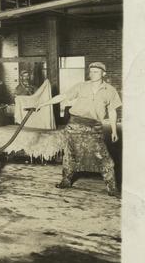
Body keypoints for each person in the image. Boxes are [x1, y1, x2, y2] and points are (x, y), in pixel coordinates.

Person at [35, 62, 121, 195]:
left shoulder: (110, 90)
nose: (92, 74)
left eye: (96, 72)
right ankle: (66, 181)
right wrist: (43, 104)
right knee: (70, 154)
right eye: (91, 71)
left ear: (103, 73)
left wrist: (114, 131)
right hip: (75, 125)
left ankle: (112, 187)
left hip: (94, 127)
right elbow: (63, 96)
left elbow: (112, 111)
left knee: (103, 157)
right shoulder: (81, 86)